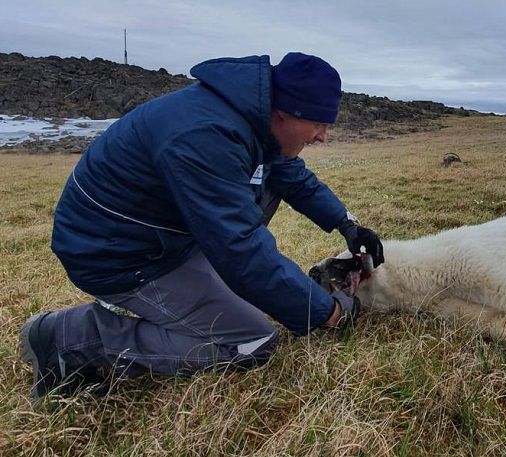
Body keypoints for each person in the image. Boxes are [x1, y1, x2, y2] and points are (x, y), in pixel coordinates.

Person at [18, 52, 385, 399]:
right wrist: (328, 313)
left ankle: (210, 286)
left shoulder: (253, 120)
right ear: (286, 112)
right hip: (116, 254)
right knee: (251, 340)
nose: (323, 136)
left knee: (267, 198)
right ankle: (69, 339)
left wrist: (347, 224)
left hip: (158, 236)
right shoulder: (207, 136)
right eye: (319, 123)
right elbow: (240, 249)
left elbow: (291, 177)